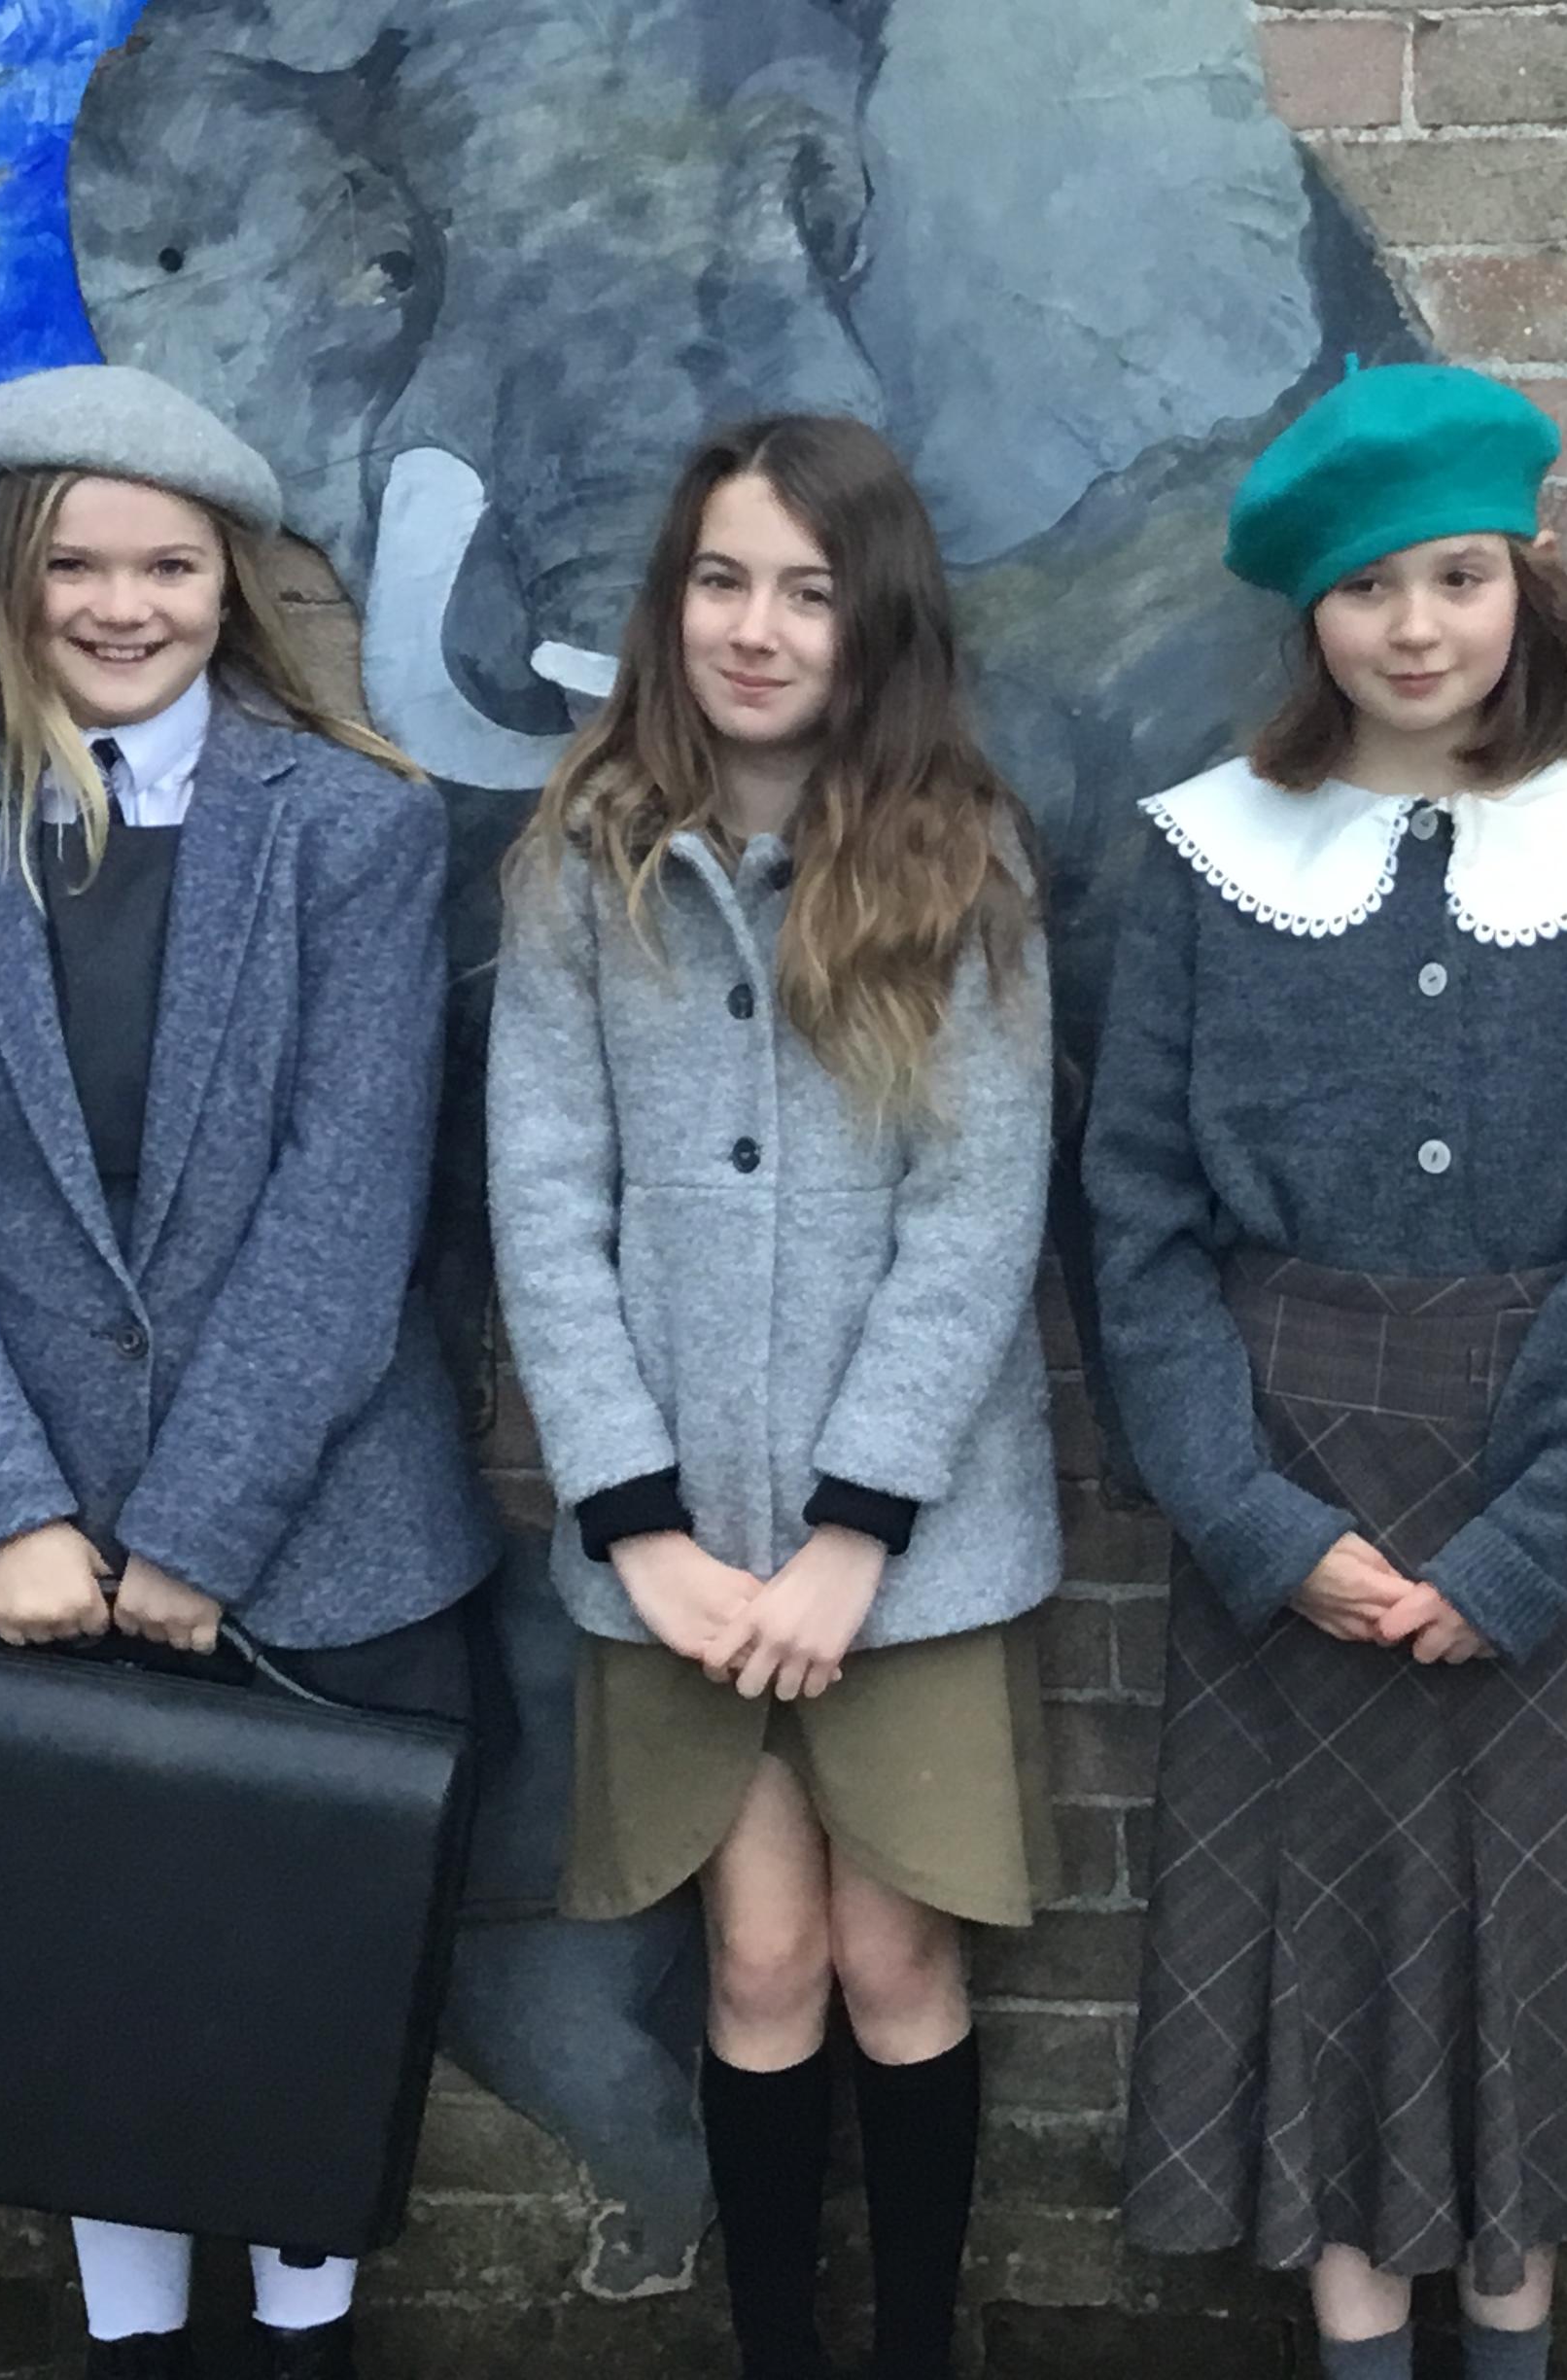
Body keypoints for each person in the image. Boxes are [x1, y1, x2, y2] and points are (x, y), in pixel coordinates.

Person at [0, 364, 501, 2379]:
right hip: (26, 1555)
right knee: (89, 1999)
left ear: (233, 584)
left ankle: (302, 2350)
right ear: (8, 582)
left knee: (288, 2000)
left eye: (172, 567)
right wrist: (6, 1511)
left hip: (316, 1544)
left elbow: (349, 1197)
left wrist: (201, 1527)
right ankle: (132, 2351)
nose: (125, 607)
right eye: (78, 567)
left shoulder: (355, 829)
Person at [1084, 361, 1567, 2380]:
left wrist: (1531, 1542)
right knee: (1327, 1974)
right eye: (1369, 588)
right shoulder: (1211, 863)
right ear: (1313, 617)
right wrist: (1254, 1524)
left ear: (1526, 580)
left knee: (1525, 1981)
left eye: (1458, 574)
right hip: (1289, 1488)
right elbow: (1137, 1223)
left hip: (1543, 1494)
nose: (1418, 626)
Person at [486, 415, 1060, 2380]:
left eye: (808, 592)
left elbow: (977, 1216)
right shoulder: (583, 859)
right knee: (758, 1956)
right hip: (678, 1557)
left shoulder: (963, 860)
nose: (756, 627)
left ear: (874, 621)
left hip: (905, 1550)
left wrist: (854, 1534)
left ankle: (915, 2347)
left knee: (898, 1954)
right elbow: (543, 1198)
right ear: (671, 603)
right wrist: (636, 1523)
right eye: (722, 581)